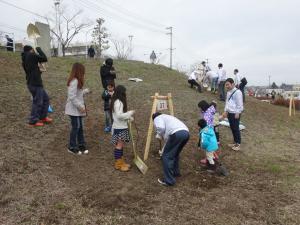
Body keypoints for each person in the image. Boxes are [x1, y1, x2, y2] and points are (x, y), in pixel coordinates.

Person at [153, 112, 190, 186]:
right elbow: (169, 139)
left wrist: (159, 134)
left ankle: (169, 181)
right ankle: (176, 173)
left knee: (166, 156)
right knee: (175, 154)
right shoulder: (168, 117)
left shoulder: (157, 118)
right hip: (186, 133)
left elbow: (160, 128)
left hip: (176, 134)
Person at [21, 45, 52, 127]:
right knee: (37, 102)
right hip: (35, 83)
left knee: (46, 99)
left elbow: (32, 70)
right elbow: (44, 58)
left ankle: (43, 117)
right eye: (33, 50)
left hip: (32, 83)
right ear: (31, 50)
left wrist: (40, 70)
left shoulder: (25, 59)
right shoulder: (31, 55)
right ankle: (33, 121)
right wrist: (39, 49)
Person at [65, 63, 90, 155]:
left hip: (77, 109)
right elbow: (72, 96)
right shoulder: (74, 81)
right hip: (73, 109)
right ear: (79, 71)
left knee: (80, 127)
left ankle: (81, 144)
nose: (84, 73)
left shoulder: (77, 81)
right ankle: (71, 146)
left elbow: (77, 94)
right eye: (83, 71)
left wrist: (84, 91)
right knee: (76, 127)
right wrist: (81, 106)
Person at [110, 85, 135, 172]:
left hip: (120, 126)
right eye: (124, 92)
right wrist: (129, 113)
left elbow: (119, 115)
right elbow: (119, 116)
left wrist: (128, 118)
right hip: (119, 128)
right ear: (121, 93)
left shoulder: (116, 101)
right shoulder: (118, 102)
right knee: (119, 146)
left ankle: (121, 162)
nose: (125, 94)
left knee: (120, 145)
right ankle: (118, 164)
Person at [222, 78, 244, 151]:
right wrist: (225, 111)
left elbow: (240, 104)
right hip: (230, 113)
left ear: (232, 84)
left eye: (228, 84)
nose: (227, 86)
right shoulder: (228, 92)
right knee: (232, 127)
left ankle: (238, 144)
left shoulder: (238, 92)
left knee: (236, 128)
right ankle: (235, 142)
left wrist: (238, 112)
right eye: (226, 85)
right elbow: (227, 103)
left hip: (235, 113)